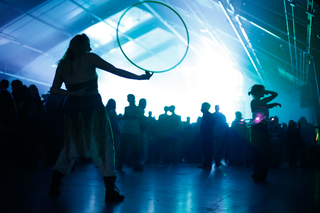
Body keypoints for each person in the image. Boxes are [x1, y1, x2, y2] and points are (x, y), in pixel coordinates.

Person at [48, 33, 152, 202]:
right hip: (93, 110)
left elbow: (54, 90)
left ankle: (54, 185)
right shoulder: (89, 59)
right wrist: (140, 77)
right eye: (88, 44)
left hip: (73, 112)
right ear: (83, 46)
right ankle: (110, 191)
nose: (90, 47)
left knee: (69, 148)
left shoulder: (63, 65)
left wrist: (73, 93)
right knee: (105, 146)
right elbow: (115, 70)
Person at [248, 84, 281, 182]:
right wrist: (274, 103)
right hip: (257, 128)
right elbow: (265, 106)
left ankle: (261, 174)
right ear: (258, 91)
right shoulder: (254, 101)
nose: (264, 92)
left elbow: (275, 94)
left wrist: (267, 92)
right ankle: (258, 174)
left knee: (264, 151)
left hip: (262, 127)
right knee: (259, 152)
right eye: (263, 90)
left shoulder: (260, 101)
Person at [198, 102, 215, 169]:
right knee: (208, 149)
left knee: (207, 149)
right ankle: (207, 164)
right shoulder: (208, 115)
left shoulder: (207, 115)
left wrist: (206, 129)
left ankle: (206, 164)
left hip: (207, 135)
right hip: (208, 134)